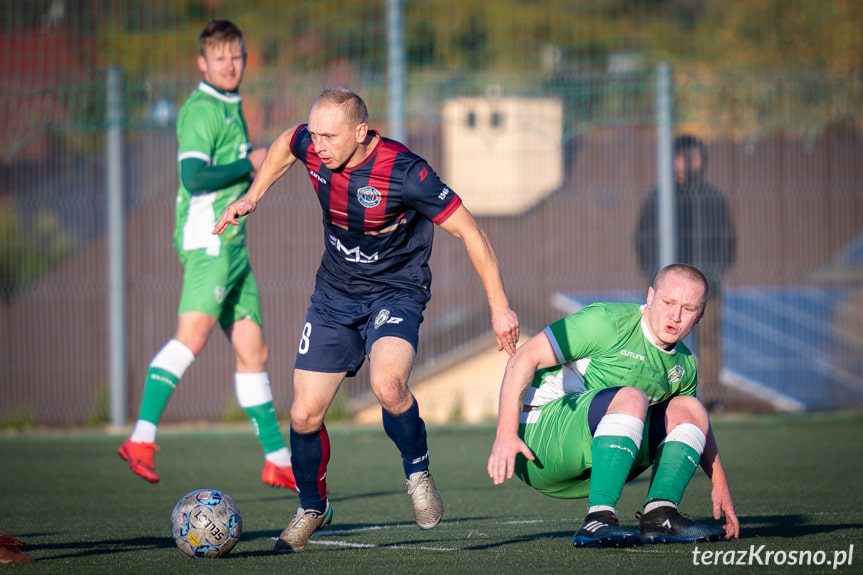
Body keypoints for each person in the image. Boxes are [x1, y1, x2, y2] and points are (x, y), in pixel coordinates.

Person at [214, 87, 520, 553]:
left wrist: (499, 306)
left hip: (396, 292)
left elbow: (470, 232)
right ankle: (313, 507)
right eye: (314, 133)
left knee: (389, 386)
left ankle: (417, 472)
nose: (317, 145)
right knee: (302, 413)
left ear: (361, 132)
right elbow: (284, 144)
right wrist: (254, 196)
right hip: (335, 295)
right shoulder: (313, 146)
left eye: (329, 136)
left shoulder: (406, 173)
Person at [118, 19, 297, 490]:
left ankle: (278, 459)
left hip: (234, 244)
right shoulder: (201, 110)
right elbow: (195, 178)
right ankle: (140, 437)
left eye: (236, 56)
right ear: (203, 63)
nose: (230, 65)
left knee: (253, 349)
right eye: (220, 58)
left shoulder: (230, 105)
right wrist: (250, 162)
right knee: (192, 336)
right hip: (210, 240)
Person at [487, 264, 739, 548]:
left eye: (688, 308)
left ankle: (660, 514)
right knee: (632, 398)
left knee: (690, 408)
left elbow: (695, 424)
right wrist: (505, 433)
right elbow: (522, 358)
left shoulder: (684, 363)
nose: (675, 315)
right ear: (650, 296)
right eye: (668, 302)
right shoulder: (605, 321)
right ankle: (598, 519)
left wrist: (720, 484)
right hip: (536, 445)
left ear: (701, 315)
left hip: (596, 462)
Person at [633, 135, 736, 412]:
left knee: (710, 342)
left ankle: (713, 399)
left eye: (694, 156)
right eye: (681, 156)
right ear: (671, 160)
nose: (688, 163)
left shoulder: (713, 198)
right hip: (667, 291)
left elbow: (728, 241)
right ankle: (660, 397)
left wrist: (713, 276)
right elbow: (642, 239)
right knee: (661, 342)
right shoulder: (658, 197)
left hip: (708, 287)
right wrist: (656, 277)